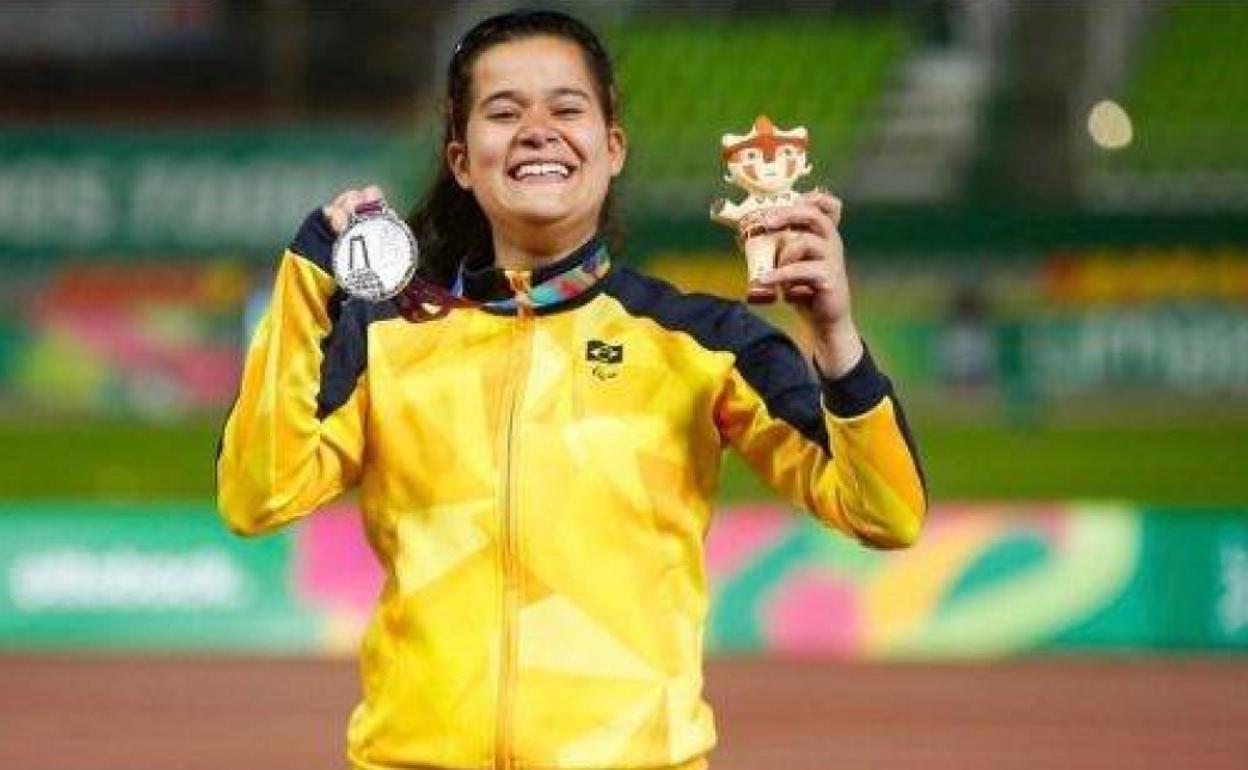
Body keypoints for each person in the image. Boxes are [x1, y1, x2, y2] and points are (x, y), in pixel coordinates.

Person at [217, 9, 926, 770]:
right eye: (502, 111)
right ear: (462, 159)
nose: (536, 129)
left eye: (565, 107)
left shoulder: (705, 343)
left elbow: (885, 513)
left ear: (611, 147)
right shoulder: (388, 336)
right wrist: (308, 285)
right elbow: (258, 496)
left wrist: (835, 337)